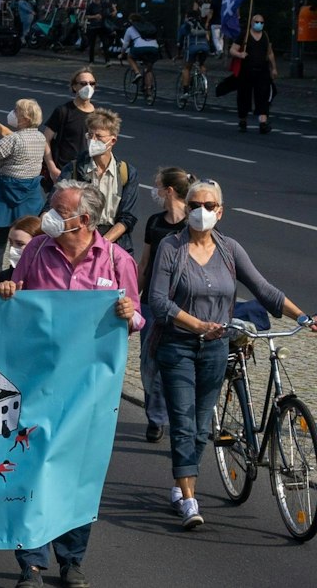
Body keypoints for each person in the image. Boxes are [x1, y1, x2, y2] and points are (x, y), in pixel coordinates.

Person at [0, 182, 142, 588]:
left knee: (79, 472)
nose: (49, 214)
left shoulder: (116, 260)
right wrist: (7, 289)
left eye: (58, 209)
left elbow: (137, 319)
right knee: (33, 466)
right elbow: (16, 296)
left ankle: (71, 559)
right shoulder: (37, 252)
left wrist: (129, 313)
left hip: (90, 388)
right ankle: (31, 561)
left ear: (85, 219)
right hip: (37, 381)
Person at [143, 180, 314, 530]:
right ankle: (189, 499)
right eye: (194, 205)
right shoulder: (170, 248)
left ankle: (181, 483)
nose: (200, 212)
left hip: (216, 349)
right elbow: (158, 301)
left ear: (220, 212)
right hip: (176, 345)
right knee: (183, 419)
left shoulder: (229, 249)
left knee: (202, 422)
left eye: (208, 206)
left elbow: (263, 289)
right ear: (186, 208)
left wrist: (303, 316)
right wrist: (196, 325)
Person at [138, 167, 195, 443]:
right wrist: (135, 297)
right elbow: (145, 263)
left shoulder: (193, 225)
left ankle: (180, 419)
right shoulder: (154, 222)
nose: (155, 190)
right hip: (151, 301)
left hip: (183, 304)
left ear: (169, 191)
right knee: (150, 361)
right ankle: (155, 418)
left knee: (180, 361)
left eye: (157, 186)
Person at [0, 99, 48, 269]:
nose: (13, 114)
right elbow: (13, 138)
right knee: (26, 240)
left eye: (16, 111)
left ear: (25, 118)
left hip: (5, 195)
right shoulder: (39, 137)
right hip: (30, 195)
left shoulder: (14, 140)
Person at [63, 108, 136, 247]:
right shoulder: (73, 169)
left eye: (99, 136)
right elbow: (54, 204)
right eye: (90, 135)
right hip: (80, 238)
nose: (93, 140)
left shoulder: (127, 172)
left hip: (113, 241)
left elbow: (128, 217)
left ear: (113, 140)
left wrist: (102, 243)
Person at [41, 69, 98, 185]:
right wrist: (52, 168)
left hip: (87, 173)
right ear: (74, 87)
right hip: (64, 172)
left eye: (92, 83)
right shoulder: (63, 111)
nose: (88, 87)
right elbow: (45, 140)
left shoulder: (98, 114)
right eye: (83, 83)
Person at [228, 13, 276, 133]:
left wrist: (274, 68)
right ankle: (243, 120)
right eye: (257, 22)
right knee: (244, 96)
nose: (259, 24)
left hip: (262, 71)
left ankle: (263, 123)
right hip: (246, 71)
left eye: (261, 22)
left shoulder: (265, 35)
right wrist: (239, 54)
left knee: (263, 97)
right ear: (252, 23)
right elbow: (232, 50)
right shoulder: (244, 35)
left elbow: (270, 53)